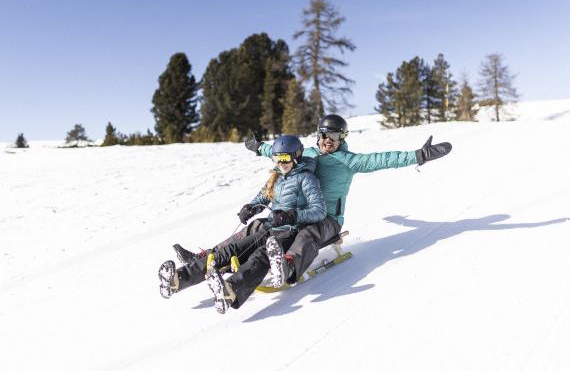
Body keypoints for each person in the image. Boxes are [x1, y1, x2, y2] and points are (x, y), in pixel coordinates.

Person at [244, 114, 452, 288]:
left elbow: (383, 159)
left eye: (335, 135)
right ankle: (238, 262)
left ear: (342, 138)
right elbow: (281, 153)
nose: (329, 139)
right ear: (318, 134)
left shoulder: (350, 161)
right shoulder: (307, 154)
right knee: (267, 227)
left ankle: (287, 266)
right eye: (325, 134)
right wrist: (259, 147)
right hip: (302, 215)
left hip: (327, 219)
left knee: (306, 234)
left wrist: (420, 155)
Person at [158, 136, 326, 314]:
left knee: (261, 256)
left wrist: (291, 215)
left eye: (285, 158)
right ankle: (179, 279)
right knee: (229, 251)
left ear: (297, 156)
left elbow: (319, 210)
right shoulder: (277, 177)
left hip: (290, 232)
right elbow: (263, 196)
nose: (281, 163)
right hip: (270, 230)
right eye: (277, 158)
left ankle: (231, 291)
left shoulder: (306, 179)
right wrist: (251, 207)